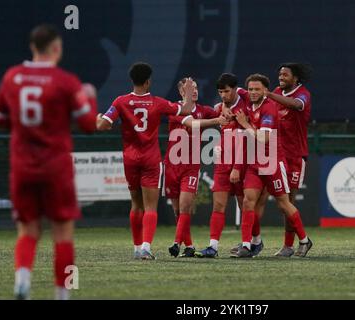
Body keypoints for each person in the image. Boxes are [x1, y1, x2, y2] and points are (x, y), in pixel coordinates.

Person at [0, 24, 97, 299]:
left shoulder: (11, 77)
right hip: (56, 167)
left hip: (23, 166)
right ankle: (62, 294)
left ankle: (22, 281)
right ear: (56, 48)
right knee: (63, 235)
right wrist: (90, 96)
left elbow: (2, 120)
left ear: (32, 47)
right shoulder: (66, 81)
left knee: (27, 230)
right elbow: (89, 124)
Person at [96, 63, 194, 260]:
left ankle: (136, 247)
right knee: (150, 207)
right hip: (150, 159)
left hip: (130, 159)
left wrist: (98, 117)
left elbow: (102, 125)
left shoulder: (121, 101)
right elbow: (186, 109)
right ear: (148, 81)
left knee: (136, 204)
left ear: (132, 80)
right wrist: (189, 93)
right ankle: (146, 249)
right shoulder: (157, 102)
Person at [230, 74, 312, 258]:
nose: (252, 92)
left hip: (273, 163)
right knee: (247, 201)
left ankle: (305, 240)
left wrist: (243, 123)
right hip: (254, 163)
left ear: (265, 91)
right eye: (250, 89)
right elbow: (235, 92)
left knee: (284, 203)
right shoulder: (249, 104)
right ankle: (247, 245)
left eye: (257, 89)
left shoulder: (269, 109)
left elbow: (264, 137)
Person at [164, 78, 227, 258]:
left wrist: (225, 109)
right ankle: (189, 246)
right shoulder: (174, 108)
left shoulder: (203, 110)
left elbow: (219, 109)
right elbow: (192, 123)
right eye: (190, 88)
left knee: (185, 206)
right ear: (182, 92)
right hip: (172, 164)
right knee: (177, 209)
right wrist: (218, 119)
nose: (194, 91)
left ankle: (176, 243)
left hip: (191, 166)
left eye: (196, 87)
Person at [195, 73, 251, 258]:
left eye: (227, 91)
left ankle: (248, 243)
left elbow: (245, 140)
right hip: (222, 164)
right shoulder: (219, 108)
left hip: (241, 163)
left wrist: (236, 166)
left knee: (245, 205)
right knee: (218, 205)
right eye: (220, 92)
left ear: (235, 89)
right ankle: (213, 247)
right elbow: (200, 118)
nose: (223, 95)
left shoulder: (245, 106)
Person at [265, 62, 313, 257]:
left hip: (294, 155)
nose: (281, 77)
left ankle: (289, 244)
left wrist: (268, 95)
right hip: (275, 154)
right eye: (280, 74)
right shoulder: (277, 91)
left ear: (296, 78)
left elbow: (296, 105)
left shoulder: (303, 94)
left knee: (288, 201)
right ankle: (251, 242)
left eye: (285, 74)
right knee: (265, 198)